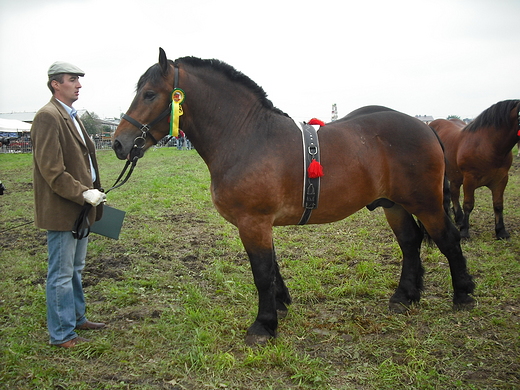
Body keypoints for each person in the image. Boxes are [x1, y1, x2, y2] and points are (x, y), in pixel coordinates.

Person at [32, 61, 106, 348]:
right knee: (61, 274)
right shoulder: (48, 116)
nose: (78, 84)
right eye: (72, 79)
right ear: (55, 84)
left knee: (75, 268)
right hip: (65, 208)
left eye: (78, 79)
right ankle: (62, 333)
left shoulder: (71, 116)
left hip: (82, 207)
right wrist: (83, 193)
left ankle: (76, 317)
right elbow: (52, 171)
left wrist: (93, 192)